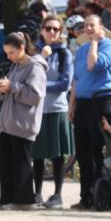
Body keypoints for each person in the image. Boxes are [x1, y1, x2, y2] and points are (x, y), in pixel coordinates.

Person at [68, 14, 111, 210]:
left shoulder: (110, 47)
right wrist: (71, 105)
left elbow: (93, 64)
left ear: (101, 28)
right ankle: (86, 197)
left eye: (92, 25)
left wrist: (95, 43)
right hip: (83, 102)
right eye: (85, 26)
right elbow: (77, 79)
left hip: (102, 101)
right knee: (83, 152)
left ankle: (104, 199)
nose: (88, 29)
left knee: (100, 151)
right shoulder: (81, 49)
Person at [0, 32, 48, 209]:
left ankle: (24, 201)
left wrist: (12, 87)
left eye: (11, 53)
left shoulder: (35, 67)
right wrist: (5, 87)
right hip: (9, 123)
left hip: (23, 123)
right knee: (6, 164)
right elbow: (15, 88)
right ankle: (7, 199)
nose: (9, 57)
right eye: (7, 53)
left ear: (22, 48)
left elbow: (35, 96)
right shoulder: (16, 65)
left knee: (20, 165)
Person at [31, 16, 74, 208]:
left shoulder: (65, 54)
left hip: (57, 108)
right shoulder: (35, 53)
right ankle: (37, 193)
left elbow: (65, 83)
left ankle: (57, 194)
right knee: (37, 154)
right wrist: (42, 56)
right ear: (41, 30)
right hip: (37, 109)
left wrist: (41, 86)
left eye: (56, 29)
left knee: (57, 154)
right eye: (48, 28)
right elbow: (30, 77)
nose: (52, 32)